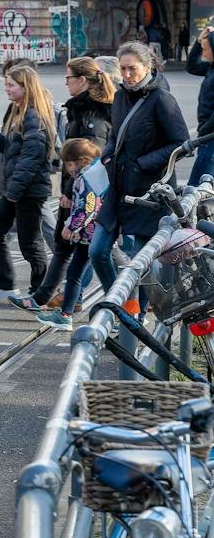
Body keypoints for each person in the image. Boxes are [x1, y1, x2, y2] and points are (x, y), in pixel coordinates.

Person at [85, 43, 188, 299]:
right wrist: (108, 155)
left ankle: (137, 314)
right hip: (119, 187)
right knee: (97, 250)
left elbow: (181, 144)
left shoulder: (161, 99)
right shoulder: (121, 96)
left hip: (149, 192)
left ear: (147, 67)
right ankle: (118, 302)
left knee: (142, 262)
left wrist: (143, 163)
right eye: (123, 69)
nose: (127, 74)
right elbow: (116, 134)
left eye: (132, 69)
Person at [27, 57, 117, 310]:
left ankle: (125, 301)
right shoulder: (80, 109)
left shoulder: (91, 115)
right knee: (75, 252)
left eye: (68, 78)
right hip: (77, 190)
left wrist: (67, 191)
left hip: (83, 193)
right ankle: (62, 301)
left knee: (91, 251)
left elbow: (87, 160)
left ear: (82, 80)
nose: (65, 82)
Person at [0, 62, 55, 304]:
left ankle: (40, 292)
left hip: (28, 189)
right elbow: (16, 150)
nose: (7, 89)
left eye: (11, 85)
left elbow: (32, 158)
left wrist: (13, 191)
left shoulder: (33, 115)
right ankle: (5, 284)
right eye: (6, 84)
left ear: (25, 87)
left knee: (30, 242)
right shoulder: (19, 111)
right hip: (19, 187)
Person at [40, 138, 107, 327]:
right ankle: (66, 313)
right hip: (94, 233)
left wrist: (70, 226)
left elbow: (87, 207)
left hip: (90, 235)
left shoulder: (85, 178)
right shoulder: (95, 174)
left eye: (69, 164)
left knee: (88, 274)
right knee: (76, 272)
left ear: (80, 162)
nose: (67, 169)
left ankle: (68, 314)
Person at [188, 22, 214, 185]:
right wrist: (198, 43)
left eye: (205, 49)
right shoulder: (211, 67)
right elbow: (192, 66)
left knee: (196, 187)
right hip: (207, 136)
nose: (203, 54)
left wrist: (204, 130)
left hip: (210, 137)